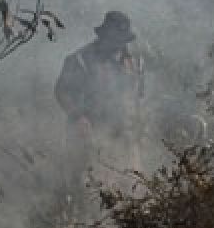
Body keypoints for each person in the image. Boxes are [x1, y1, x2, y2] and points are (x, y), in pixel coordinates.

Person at [54, 11, 146, 192]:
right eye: (115, 38)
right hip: (88, 135)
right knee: (88, 187)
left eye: (122, 39)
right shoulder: (79, 60)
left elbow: (138, 97)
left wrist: (139, 129)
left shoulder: (135, 63)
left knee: (130, 186)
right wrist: (78, 116)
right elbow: (61, 92)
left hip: (125, 138)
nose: (119, 44)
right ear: (103, 36)